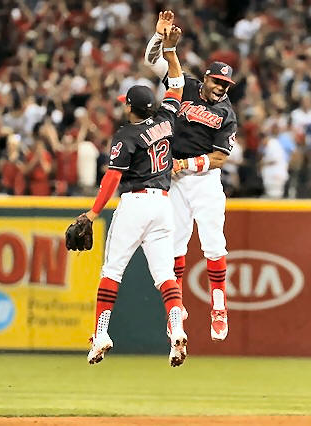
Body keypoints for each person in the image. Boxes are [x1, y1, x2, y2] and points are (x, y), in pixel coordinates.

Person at [81, 26, 187, 367]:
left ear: (130, 107)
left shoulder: (125, 135)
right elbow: (176, 84)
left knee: (112, 271)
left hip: (136, 203)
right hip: (163, 205)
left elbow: (112, 178)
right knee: (165, 275)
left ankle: (101, 334)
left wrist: (92, 213)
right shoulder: (166, 119)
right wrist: (170, 51)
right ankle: (176, 328)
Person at [144, 11, 237, 341]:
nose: (221, 88)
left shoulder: (226, 113)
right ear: (206, 78)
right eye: (217, 82)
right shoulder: (185, 85)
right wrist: (160, 38)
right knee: (175, 244)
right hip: (176, 179)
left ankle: (219, 306)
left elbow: (220, 158)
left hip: (203, 179)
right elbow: (153, 61)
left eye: (226, 85)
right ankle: (177, 307)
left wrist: (185, 165)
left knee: (213, 243)